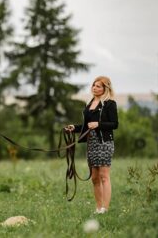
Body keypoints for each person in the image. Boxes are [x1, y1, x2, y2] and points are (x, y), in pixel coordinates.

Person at [66, 76, 118, 214]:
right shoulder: (89, 104)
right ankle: (98, 207)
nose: (95, 88)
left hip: (104, 142)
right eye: (94, 85)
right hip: (91, 143)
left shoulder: (110, 104)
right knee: (94, 177)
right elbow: (86, 125)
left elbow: (114, 124)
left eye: (98, 86)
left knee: (104, 176)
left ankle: (105, 209)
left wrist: (98, 125)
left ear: (105, 88)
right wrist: (74, 128)